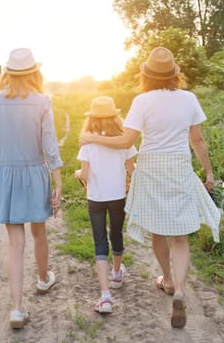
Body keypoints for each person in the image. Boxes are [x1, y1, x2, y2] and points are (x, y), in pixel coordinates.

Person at [79, 47, 220, 328]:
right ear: (174, 75)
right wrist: (208, 171)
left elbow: (124, 141)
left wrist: (90, 138)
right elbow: (198, 140)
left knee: (159, 230)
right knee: (180, 237)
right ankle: (179, 290)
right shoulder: (189, 99)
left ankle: (166, 279)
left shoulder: (142, 101)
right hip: (179, 165)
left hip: (151, 166)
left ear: (146, 75)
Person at [0, 47, 63, 329]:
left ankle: (17, 309)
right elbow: (49, 145)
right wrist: (58, 180)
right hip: (34, 173)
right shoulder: (42, 101)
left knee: (15, 243)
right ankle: (43, 279)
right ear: (34, 73)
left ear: (7, 73)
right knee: (39, 232)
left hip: (5, 173)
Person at [75, 96, 137, 314]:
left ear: (91, 119)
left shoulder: (88, 144)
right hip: (118, 196)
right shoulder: (123, 142)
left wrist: (77, 175)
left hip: (96, 198)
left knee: (100, 241)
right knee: (116, 233)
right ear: (115, 117)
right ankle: (117, 274)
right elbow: (131, 170)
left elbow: (84, 174)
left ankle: (105, 297)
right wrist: (128, 181)